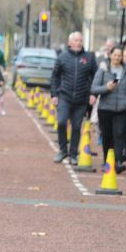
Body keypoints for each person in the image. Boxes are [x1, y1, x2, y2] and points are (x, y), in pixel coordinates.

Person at [50, 32, 98, 164]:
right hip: (64, 96)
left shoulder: (89, 57)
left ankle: (73, 154)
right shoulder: (62, 57)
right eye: (76, 40)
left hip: (82, 99)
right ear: (70, 42)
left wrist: (93, 93)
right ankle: (63, 150)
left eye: (80, 40)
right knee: (61, 123)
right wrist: (54, 94)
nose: (78, 43)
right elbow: (55, 76)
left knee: (76, 127)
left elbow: (96, 76)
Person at [91, 46, 126, 174]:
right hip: (105, 108)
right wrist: (106, 88)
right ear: (110, 55)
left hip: (121, 109)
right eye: (115, 55)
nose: (117, 57)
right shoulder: (103, 69)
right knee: (107, 136)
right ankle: (107, 162)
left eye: (119, 55)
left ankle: (118, 162)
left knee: (119, 134)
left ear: (122, 57)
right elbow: (94, 88)